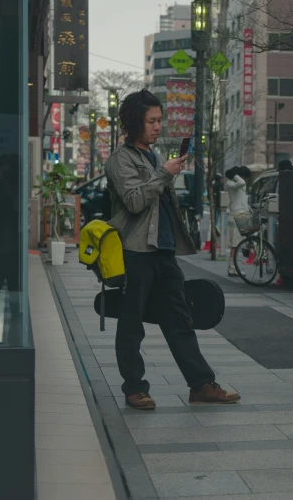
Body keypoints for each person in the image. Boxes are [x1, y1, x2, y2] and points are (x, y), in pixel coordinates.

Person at [104, 89, 240, 410]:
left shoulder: (152, 157)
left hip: (163, 250)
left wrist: (165, 171)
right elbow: (135, 201)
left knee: (180, 320)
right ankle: (135, 388)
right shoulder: (120, 159)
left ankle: (201, 384)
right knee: (131, 323)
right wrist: (164, 173)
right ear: (134, 122)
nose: (157, 127)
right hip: (136, 252)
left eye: (159, 120)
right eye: (151, 121)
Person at [225, 166, 251, 277]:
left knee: (238, 244)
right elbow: (241, 183)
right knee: (235, 244)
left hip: (240, 215)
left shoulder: (234, 184)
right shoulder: (232, 184)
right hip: (237, 216)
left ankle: (234, 267)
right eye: (246, 177)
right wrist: (236, 175)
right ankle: (232, 268)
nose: (246, 180)